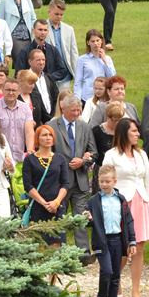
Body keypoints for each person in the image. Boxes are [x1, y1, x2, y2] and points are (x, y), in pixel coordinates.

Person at [102, 118, 149, 297]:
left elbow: (148, 179)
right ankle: (115, 285)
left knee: (139, 246)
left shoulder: (141, 154)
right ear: (124, 132)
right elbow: (105, 179)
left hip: (141, 201)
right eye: (133, 131)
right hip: (121, 203)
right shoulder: (111, 155)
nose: (137, 134)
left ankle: (136, 290)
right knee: (123, 247)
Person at [87, 164, 136, 297]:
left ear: (115, 181)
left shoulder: (121, 199)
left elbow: (128, 220)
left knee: (115, 274)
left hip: (117, 240)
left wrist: (132, 241)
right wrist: (87, 219)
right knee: (106, 271)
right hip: (102, 241)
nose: (104, 184)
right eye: (102, 181)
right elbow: (89, 221)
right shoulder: (94, 201)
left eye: (108, 181)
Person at [48, 95, 96, 223]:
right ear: (64, 109)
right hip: (60, 181)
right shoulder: (51, 126)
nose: (76, 113)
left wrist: (83, 161)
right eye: (73, 110)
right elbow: (46, 153)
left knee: (80, 221)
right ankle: (60, 243)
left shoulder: (85, 127)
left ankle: (82, 244)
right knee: (60, 218)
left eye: (78, 110)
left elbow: (94, 152)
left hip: (80, 182)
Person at [22, 125, 72, 244]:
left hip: (57, 208)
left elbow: (65, 184)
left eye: (50, 135)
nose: (48, 138)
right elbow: (28, 185)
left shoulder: (60, 158)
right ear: (37, 139)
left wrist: (56, 202)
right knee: (40, 244)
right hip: (38, 208)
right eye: (44, 135)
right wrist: (44, 203)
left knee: (58, 243)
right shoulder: (30, 160)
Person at [0, 0, 37, 64]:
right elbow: (1, 21)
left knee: (30, 61)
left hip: (28, 35)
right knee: (20, 60)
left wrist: (34, 31)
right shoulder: (3, 1)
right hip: (13, 36)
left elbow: (33, 18)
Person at [43, 0, 78, 91]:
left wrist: (76, 72)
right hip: (48, 71)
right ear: (49, 11)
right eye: (56, 14)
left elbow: (73, 52)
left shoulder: (69, 29)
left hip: (65, 72)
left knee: (64, 100)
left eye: (61, 14)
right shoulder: (41, 28)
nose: (59, 17)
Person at [74, 29, 116, 105]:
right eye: (92, 41)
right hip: (87, 97)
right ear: (88, 43)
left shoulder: (108, 59)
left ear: (101, 41)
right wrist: (77, 99)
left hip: (104, 98)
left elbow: (112, 78)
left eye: (97, 40)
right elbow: (78, 81)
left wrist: (104, 60)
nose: (96, 43)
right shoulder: (82, 60)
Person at [91, 101, 124, 189]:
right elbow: (92, 151)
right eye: (114, 120)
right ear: (108, 118)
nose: (117, 123)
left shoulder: (123, 131)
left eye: (119, 120)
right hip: (102, 170)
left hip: (120, 170)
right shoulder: (97, 131)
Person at [28, 48, 59, 125]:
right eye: (38, 60)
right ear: (30, 62)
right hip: (35, 123)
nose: (41, 62)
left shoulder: (49, 78)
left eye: (43, 60)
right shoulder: (26, 79)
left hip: (52, 121)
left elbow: (56, 98)